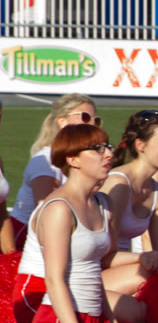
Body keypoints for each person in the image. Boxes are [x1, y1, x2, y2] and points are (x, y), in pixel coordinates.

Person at [13, 123, 158, 323]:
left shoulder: (103, 203)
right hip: (59, 322)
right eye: (97, 149)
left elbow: (95, 271)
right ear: (72, 159)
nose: (108, 154)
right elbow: (54, 279)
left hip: (98, 320)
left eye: (107, 146)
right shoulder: (59, 208)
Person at [13, 94, 99, 251]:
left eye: (96, 120)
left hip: (61, 234)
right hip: (26, 238)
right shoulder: (46, 161)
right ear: (62, 121)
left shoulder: (83, 160)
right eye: (85, 117)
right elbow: (46, 211)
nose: (93, 124)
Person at [104, 110, 158, 255]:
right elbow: (104, 254)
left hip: (123, 263)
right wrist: (143, 259)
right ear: (140, 145)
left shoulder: (155, 191)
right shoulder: (119, 184)